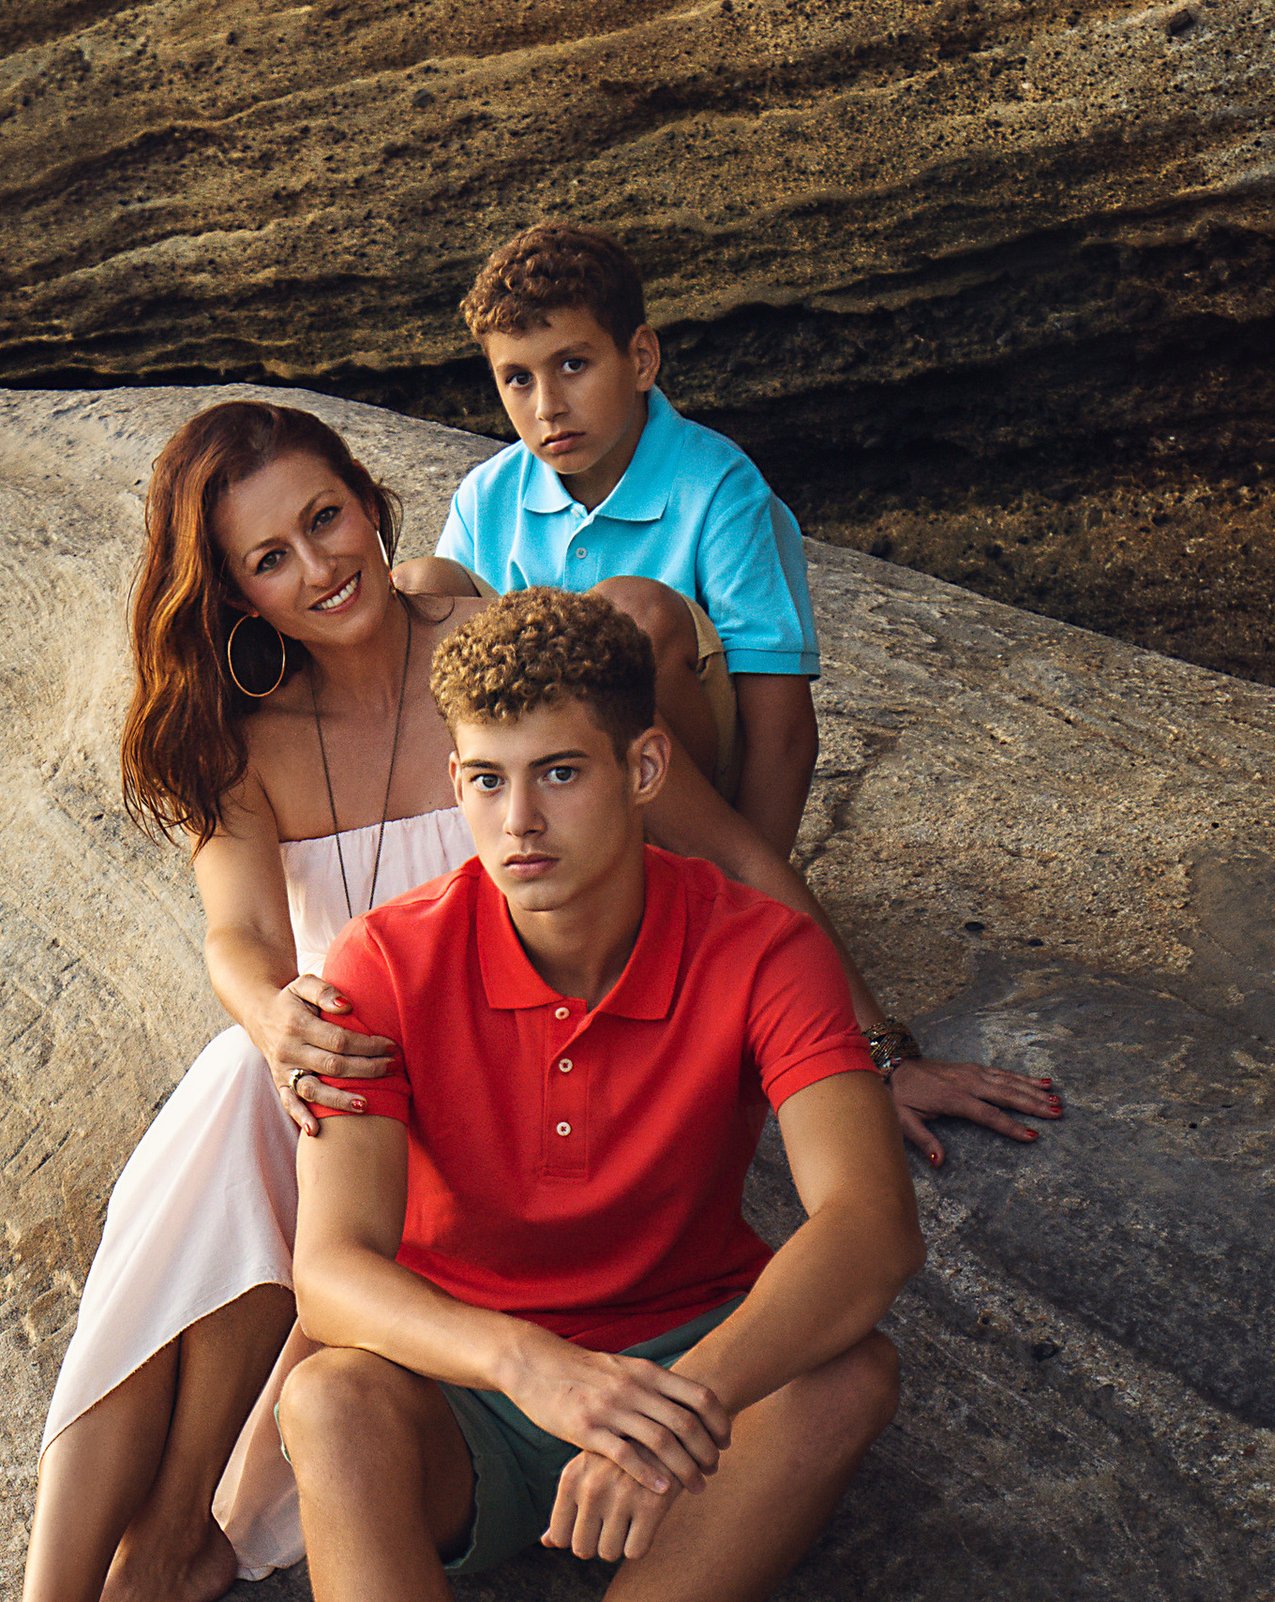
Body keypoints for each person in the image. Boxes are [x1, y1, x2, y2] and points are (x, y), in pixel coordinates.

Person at [283, 590, 923, 1602]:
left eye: (558, 776)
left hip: (681, 1346)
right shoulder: (382, 963)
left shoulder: (757, 943)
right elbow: (332, 1271)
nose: (515, 824)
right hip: (481, 1393)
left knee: (849, 1382)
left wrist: (679, 1404)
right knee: (326, 1408)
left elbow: (867, 1230)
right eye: (482, 779)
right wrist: (538, 1377)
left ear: (645, 766)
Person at [0, 401, 478, 1602]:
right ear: (232, 594)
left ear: (370, 502)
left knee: (260, 1119)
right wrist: (274, 1018)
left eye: (327, 518)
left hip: (488, 1100)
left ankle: (175, 1539)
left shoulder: (476, 641)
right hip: (336, 1083)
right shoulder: (242, 746)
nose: (318, 566)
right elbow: (240, 939)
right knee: (247, 1101)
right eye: (268, 558)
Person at [398, 220, 1061, 1167]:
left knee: (626, 615)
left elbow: (785, 735)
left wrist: (749, 916)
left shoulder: (719, 488)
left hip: (685, 762)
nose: (547, 405)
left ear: (639, 356)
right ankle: (489, 899)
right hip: (546, 782)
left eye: (574, 364)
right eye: (517, 378)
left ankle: (683, 890)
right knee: (423, 589)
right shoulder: (491, 496)